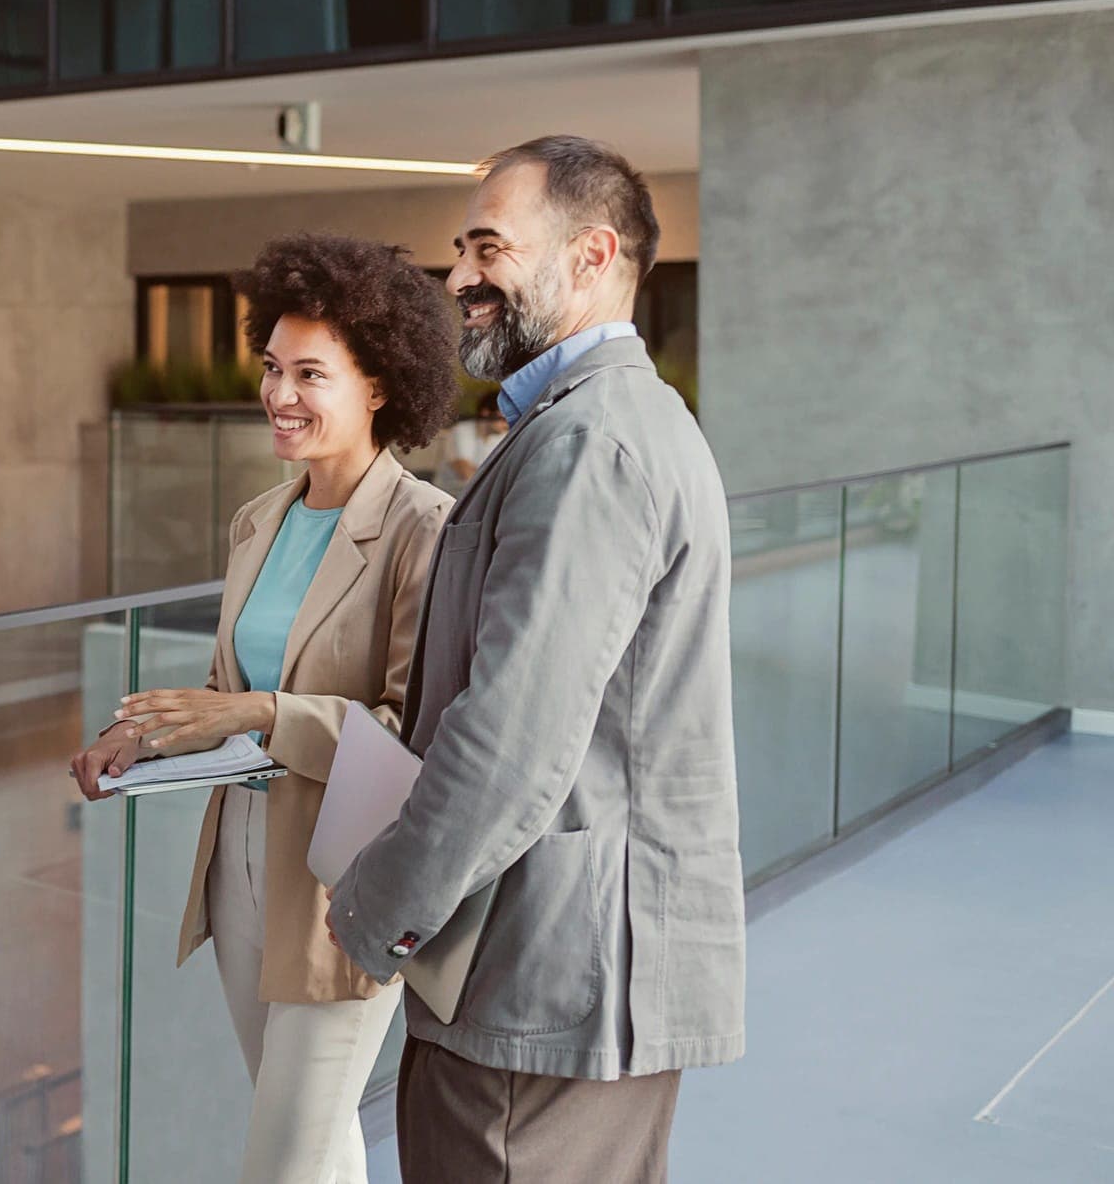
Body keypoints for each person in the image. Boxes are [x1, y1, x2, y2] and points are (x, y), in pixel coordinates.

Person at [325, 137, 744, 1182]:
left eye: (488, 247)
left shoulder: (591, 443)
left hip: (545, 978)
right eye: (460, 248)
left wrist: (378, 909)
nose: (459, 277)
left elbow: (513, 740)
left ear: (592, 254)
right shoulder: (589, 424)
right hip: (566, 968)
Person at [72, 234, 457, 1184]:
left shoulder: (422, 529)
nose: (279, 394)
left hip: (340, 882)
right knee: (315, 1150)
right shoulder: (259, 518)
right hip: (236, 862)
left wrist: (253, 713)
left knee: (281, 1163)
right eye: (272, 368)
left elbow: (410, 733)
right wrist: (145, 730)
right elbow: (227, 690)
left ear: (378, 386)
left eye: (310, 373)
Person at [435, 390, 510, 490]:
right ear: (486, 412)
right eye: (504, 418)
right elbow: (465, 472)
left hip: (479, 494)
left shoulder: (503, 437)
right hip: (450, 493)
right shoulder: (462, 431)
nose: (508, 423)